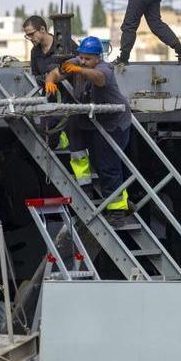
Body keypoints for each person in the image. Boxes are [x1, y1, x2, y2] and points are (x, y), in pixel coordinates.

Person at [43, 36, 134, 222]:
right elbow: (56, 72)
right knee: (90, 155)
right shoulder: (78, 62)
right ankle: (105, 198)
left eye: (87, 59)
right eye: (81, 57)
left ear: (98, 58)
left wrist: (79, 69)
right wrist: (50, 80)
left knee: (108, 165)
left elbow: (99, 79)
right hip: (94, 120)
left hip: (114, 123)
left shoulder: (104, 69)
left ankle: (117, 212)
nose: (83, 61)